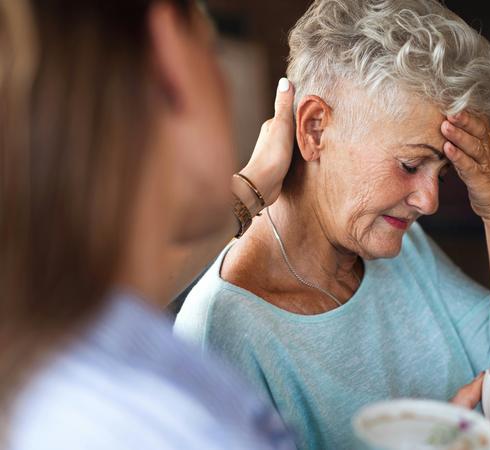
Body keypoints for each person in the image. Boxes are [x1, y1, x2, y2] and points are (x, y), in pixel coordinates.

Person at [174, 1, 490, 449]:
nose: (428, 202)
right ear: (314, 129)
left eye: (442, 172)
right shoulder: (222, 329)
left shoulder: (400, 248)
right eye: (410, 165)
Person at [0, 0, 296, 447]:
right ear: (170, 58)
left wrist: (253, 187)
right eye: (209, 44)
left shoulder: (43, 350)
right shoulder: (174, 428)